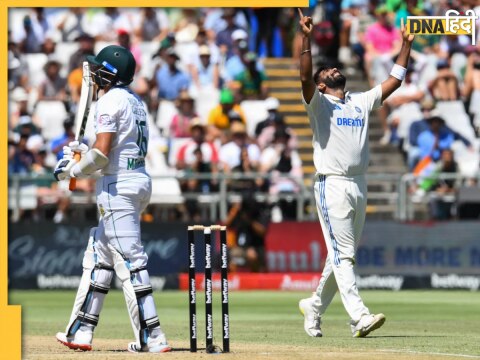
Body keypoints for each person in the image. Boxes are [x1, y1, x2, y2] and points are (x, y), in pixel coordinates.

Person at [296, 8, 414, 338]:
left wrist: (406, 45)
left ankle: (314, 307)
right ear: (322, 85)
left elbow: (395, 81)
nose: (335, 69)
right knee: (343, 255)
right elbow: (304, 77)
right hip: (331, 184)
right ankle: (359, 317)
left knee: (341, 257)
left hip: (358, 183)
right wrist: (306, 38)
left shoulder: (359, 101)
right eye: (328, 70)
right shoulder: (318, 103)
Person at [53, 45, 171, 353]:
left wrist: (71, 170)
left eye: (97, 68)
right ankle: (80, 330)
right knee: (99, 255)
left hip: (117, 187)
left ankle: (153, 336)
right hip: (135, 181)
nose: (92, 73)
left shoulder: (107, 101)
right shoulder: (134, 101)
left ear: (109, 72)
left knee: (131, 261)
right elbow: (107, 152)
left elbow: (103, 154)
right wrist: (82, 155)